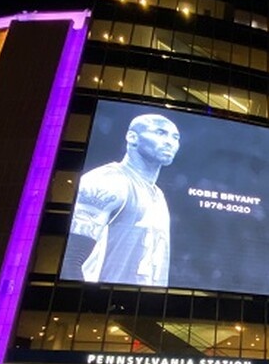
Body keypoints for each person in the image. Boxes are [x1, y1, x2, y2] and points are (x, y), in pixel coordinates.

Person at [61, 113, 181, 286]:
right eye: (160, 133)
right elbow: (70, 259)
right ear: (132, 137)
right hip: (105, 305)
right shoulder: (108, 180)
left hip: (143, 306)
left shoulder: (158, 194)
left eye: (175, 137)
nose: (170, 142)